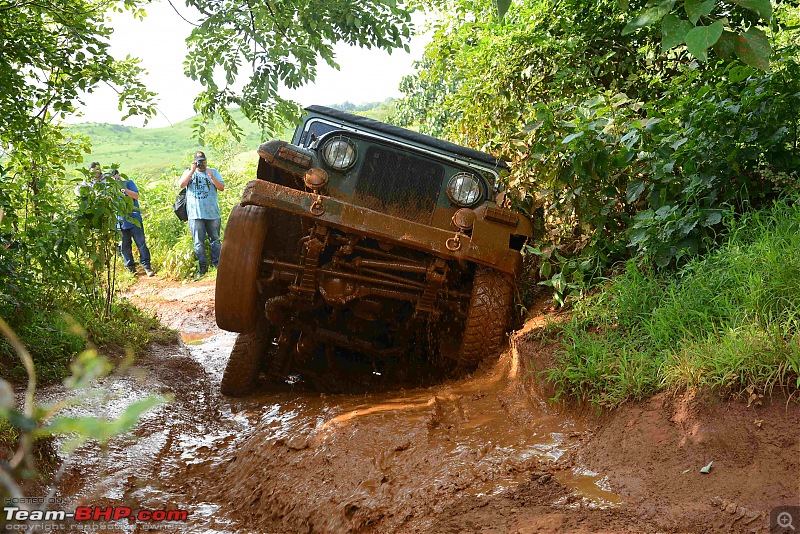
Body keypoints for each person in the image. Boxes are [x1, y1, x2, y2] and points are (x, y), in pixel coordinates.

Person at [178, 151, 225, 276]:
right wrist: (192, 171)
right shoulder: (189, 172)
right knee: (198, 242)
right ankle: (202, 267)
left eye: (203, 161)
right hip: (195, 214)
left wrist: (212, 177)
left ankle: (218, 266)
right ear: (194, 162)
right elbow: (181, 184)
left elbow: (221, 187)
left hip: (212, 213)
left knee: (215, 240)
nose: (201, 164)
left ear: (206, 161)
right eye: (199, 162)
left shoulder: (213, 172)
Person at [112, 169, 155, 277]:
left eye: (116, 177)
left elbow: (136, 195)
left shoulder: (129, 183)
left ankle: (147, 266)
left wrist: (123, 189)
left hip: (134, 219)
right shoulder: (111, 189)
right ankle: (131, 268)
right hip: (121, 221)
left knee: (141, 244)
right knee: (125, 246)